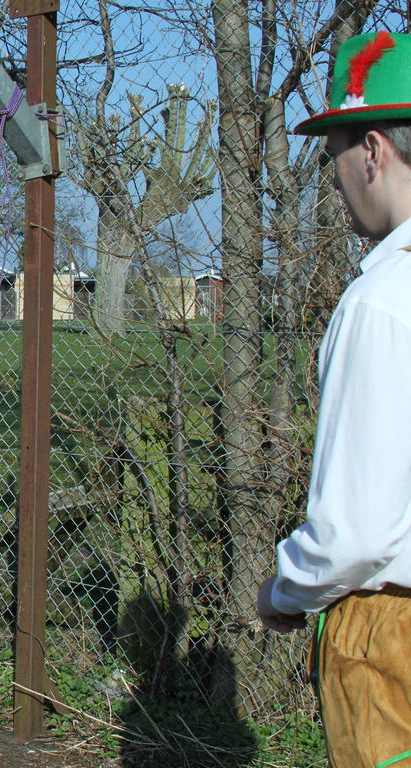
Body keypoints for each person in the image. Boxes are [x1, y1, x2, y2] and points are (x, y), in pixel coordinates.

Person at [256, 30, 411, 768]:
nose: (337, 176)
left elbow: (353, 536)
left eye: (337, 155)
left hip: (391, 640)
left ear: (374, 151)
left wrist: (285, 590)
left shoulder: (381, 302)